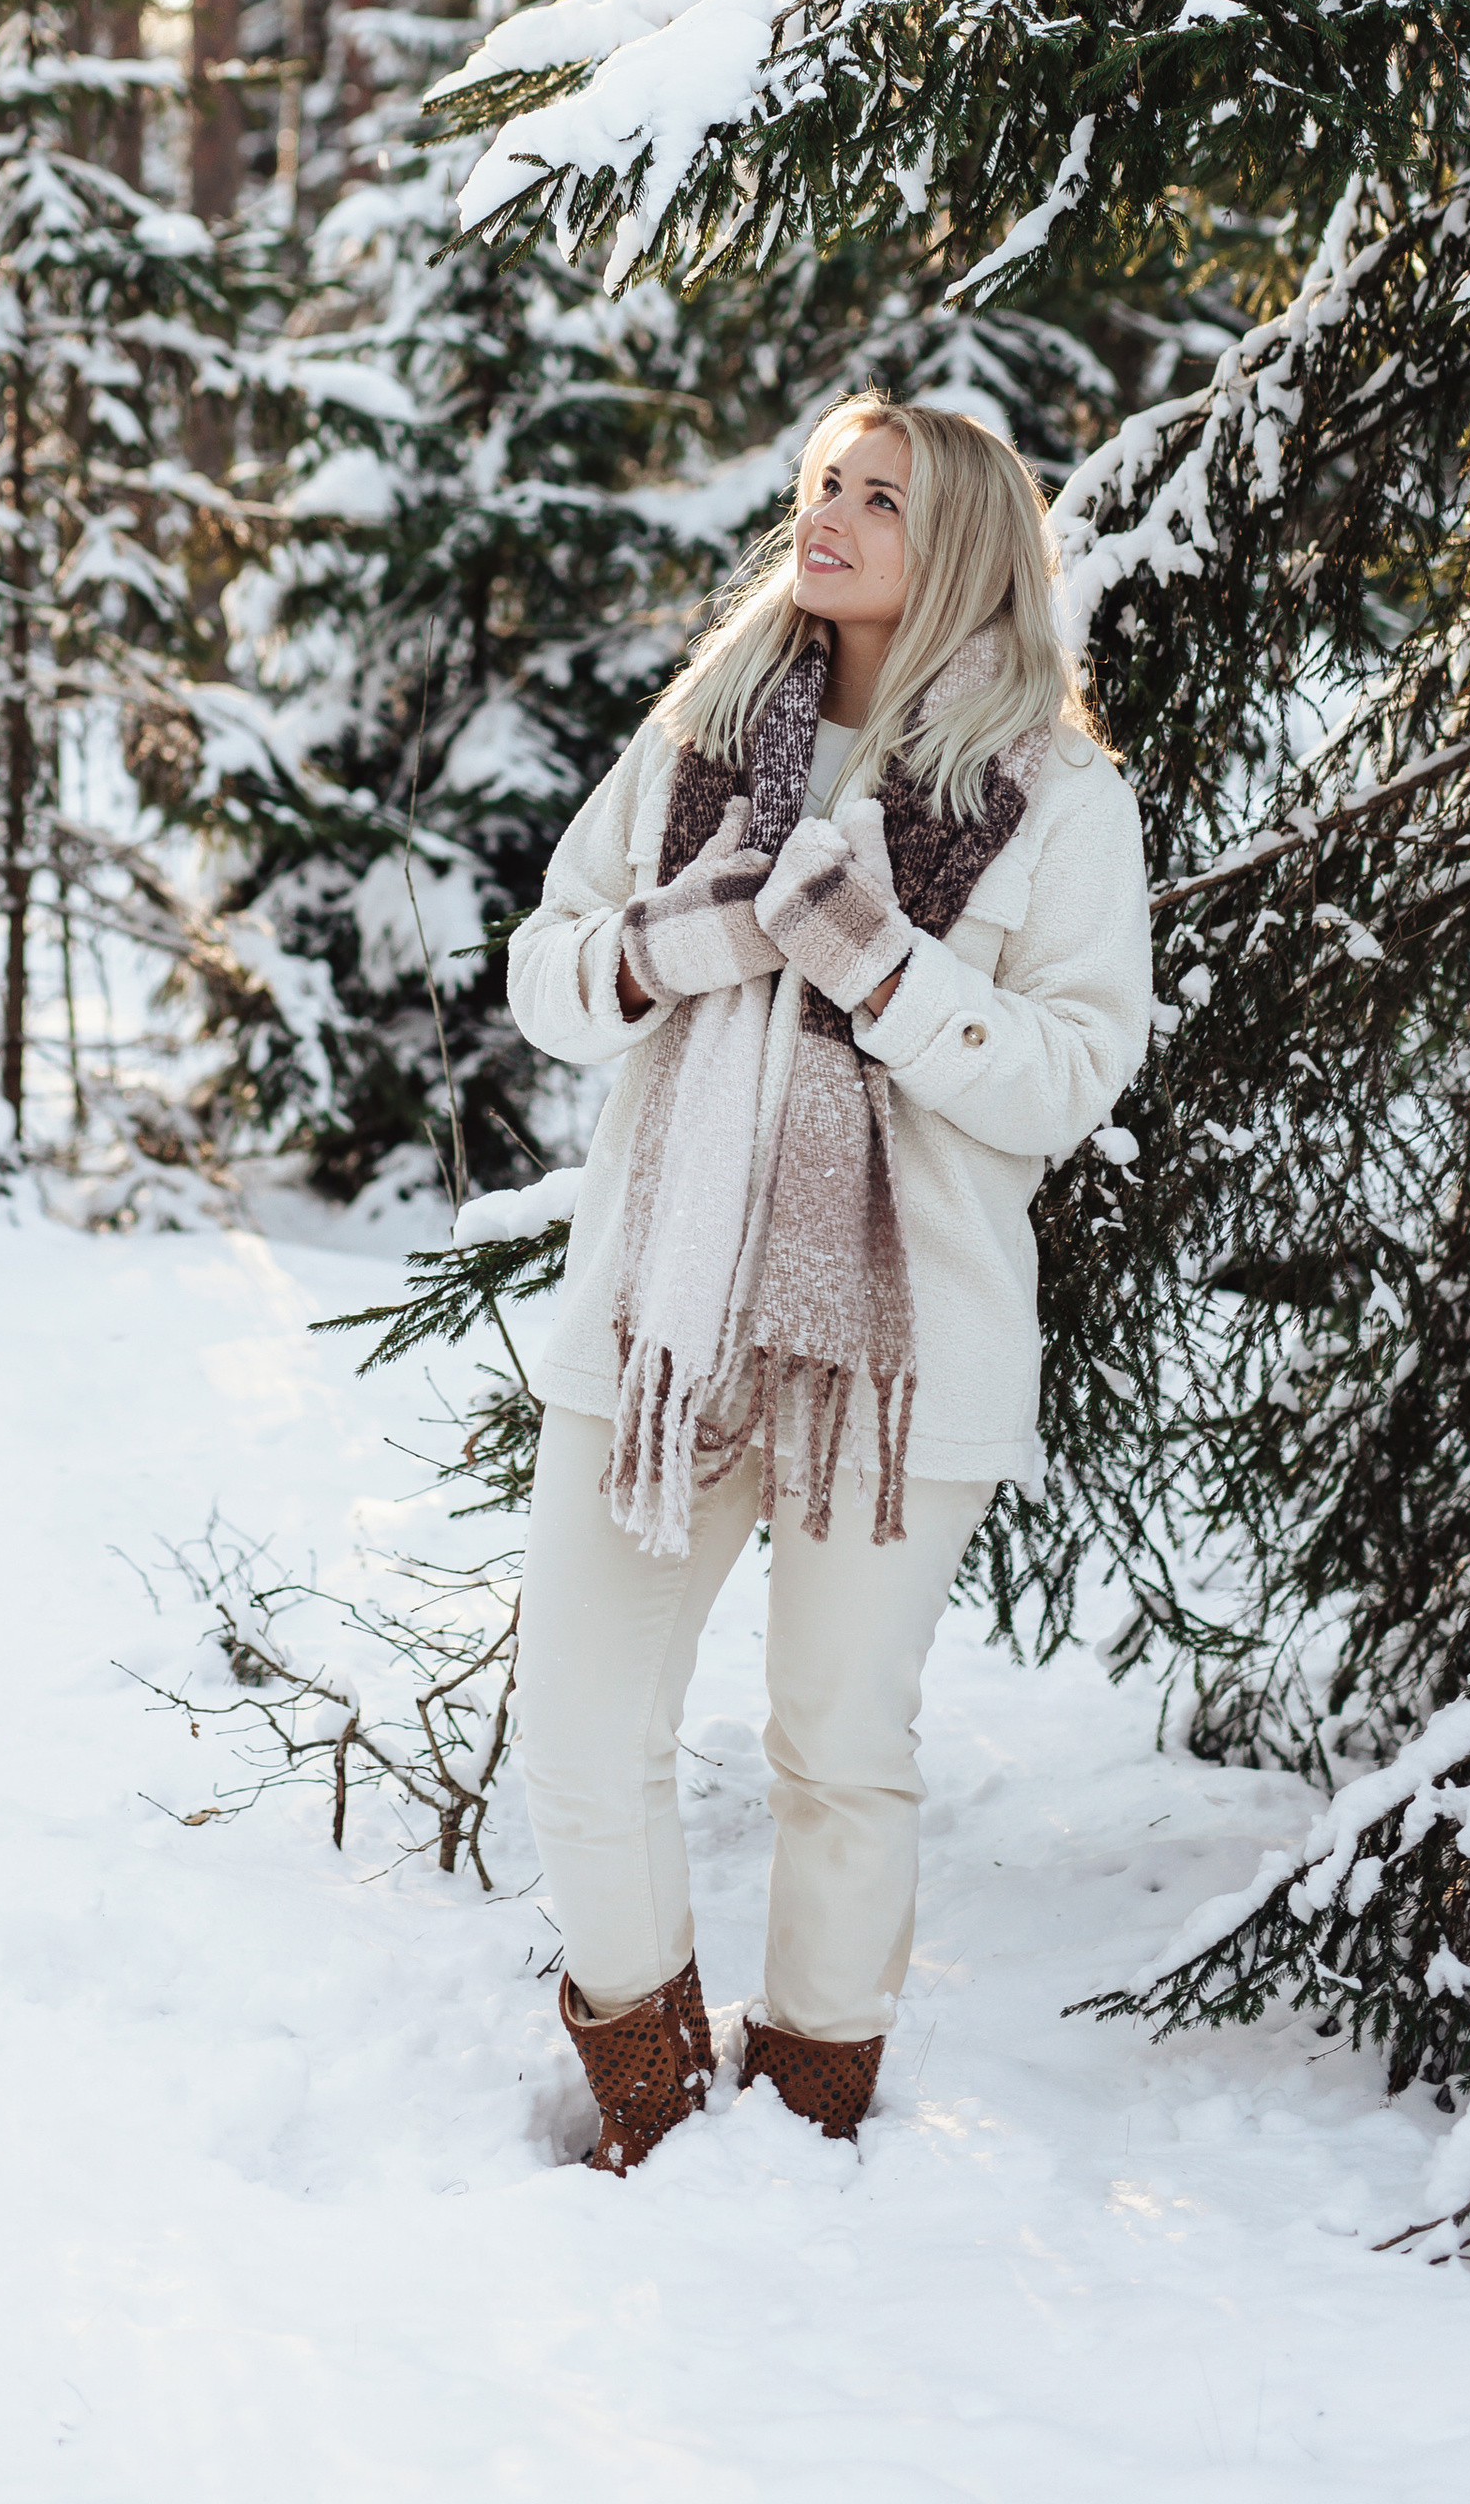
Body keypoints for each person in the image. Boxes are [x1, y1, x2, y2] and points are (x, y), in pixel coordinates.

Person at [507, 395, 1152, 2172]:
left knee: (839, 1747)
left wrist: (876, 966)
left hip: (903, 1343)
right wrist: (675, 943)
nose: (837, 517)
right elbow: (548, 974)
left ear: (958, 546)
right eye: (821, 488)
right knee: (578, 1717)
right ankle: (648, 2088)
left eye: (882, 496)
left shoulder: (1057, 796)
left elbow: (1067, 1078)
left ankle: (807, 2112)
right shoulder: (700, 737)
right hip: (666, 1317)